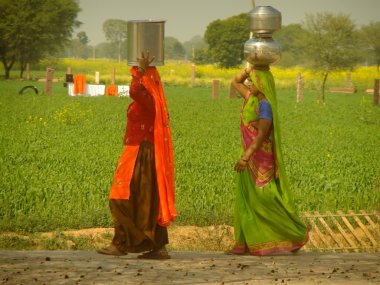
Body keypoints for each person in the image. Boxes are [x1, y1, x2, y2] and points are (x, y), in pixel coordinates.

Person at [97, 51, 176, 259]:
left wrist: (140, 70)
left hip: (141, 152)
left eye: (137, 75)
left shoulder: (148, 98)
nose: (134, 78)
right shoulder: (152, 99)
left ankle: (121, 244)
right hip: (140, 150)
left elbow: (134, 91)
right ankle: (157, 247)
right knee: (146, 200)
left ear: (147, 81)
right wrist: (141, 72)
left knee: (122, 198)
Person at [229, 65, 309, 256]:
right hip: (248, 160)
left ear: (262, 84)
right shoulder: (250, 98)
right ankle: (247, 243)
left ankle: (295, 234)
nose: (249, 83)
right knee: (247, 202)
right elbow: (235, 81)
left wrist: (245, 157)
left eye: (253, 80)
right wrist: (249, 68)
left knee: (266, 201)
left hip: (259, 162)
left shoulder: (265, 106)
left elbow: (262, 134)